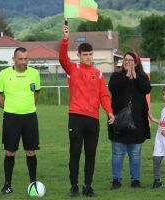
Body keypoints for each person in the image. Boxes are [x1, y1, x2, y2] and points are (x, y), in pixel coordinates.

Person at [59, 24, 115, 197]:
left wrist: (109, 112)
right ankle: (74, 185)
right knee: (75, 152)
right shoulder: (72, 69)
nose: (88, 58)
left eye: (90, 54)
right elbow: (62, 58)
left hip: (93, 120)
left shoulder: (98, 74)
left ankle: (88, 186)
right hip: (76, 118)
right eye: (85, 55)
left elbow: (104, 96)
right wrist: (65, 39)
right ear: (79, 55)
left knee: (91, 154)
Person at [0, 47, 41, 195]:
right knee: (10, 151)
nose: (23, 62)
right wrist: (9, 107)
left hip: (30, 117)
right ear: (14, 59)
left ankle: (33, 184)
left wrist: (27, 106)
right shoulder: (4, 74)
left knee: (31, 151)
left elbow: (36, 94)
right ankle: (7, 185)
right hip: (11, 118)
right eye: (20, 59)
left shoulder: (34, 73)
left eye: (26, 59)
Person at [108, 51, 151, 189]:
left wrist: (136, 77)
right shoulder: (116, 76)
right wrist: (126, 77)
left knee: (135, 154)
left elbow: (147, 89)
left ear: (136, 63)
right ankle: (116, 180)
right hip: (120, 121)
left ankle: (136, 180)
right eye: (125, 59)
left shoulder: (142, 77)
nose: (127, 62)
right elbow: (113, 88)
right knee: (117, 153)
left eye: (131, 60)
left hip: (137, 123)